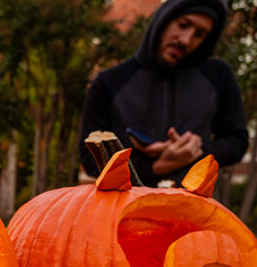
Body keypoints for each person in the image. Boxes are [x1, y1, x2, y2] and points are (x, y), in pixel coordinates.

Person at [79, 0, 248, 186]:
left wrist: (196, 150)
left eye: (199, 34)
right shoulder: (109, 82)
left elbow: (237, 141)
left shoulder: (218, 76)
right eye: (183, 25)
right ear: (164, 19)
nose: (186, 39)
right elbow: (90, 158)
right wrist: (156, 167)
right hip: (125, 209)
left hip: (194, 208)